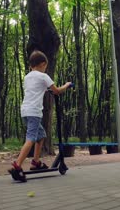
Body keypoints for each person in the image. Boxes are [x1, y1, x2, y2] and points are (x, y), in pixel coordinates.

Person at [8, 50, 72, 181]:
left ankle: (36, 162)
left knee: (41, 136)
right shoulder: (44, 77)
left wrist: (45, 88)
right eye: (45, 66)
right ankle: (17, 165)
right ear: (43, 64)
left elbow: (35, 89)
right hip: (34, 112)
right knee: (31, 138)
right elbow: (57, 91)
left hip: (25, 111)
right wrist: (67, 85)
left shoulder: (27, 77)